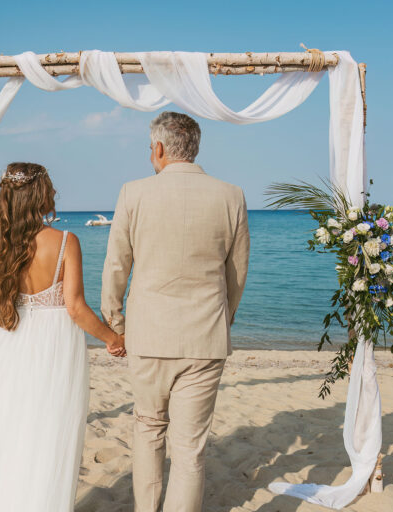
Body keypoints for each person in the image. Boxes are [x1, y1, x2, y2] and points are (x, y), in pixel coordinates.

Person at [0, 162, 125, 512]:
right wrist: (112, 338)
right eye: (49, 187)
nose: (54, 193)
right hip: (55, 348)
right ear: (39, 195)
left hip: (13, 346)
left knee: (9, 432)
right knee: (49, 433)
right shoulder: (65, 242)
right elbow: (75, 308)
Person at [101, 112, 250, 512]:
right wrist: (223, 319)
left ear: (160, 148)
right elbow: (237, 273)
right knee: (189, 449)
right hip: (205, 337)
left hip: (148, 335)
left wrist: (116, 324)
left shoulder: (133, 193)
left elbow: (116, 266)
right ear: (194, 148)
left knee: (148, 429)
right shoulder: (231, 195)